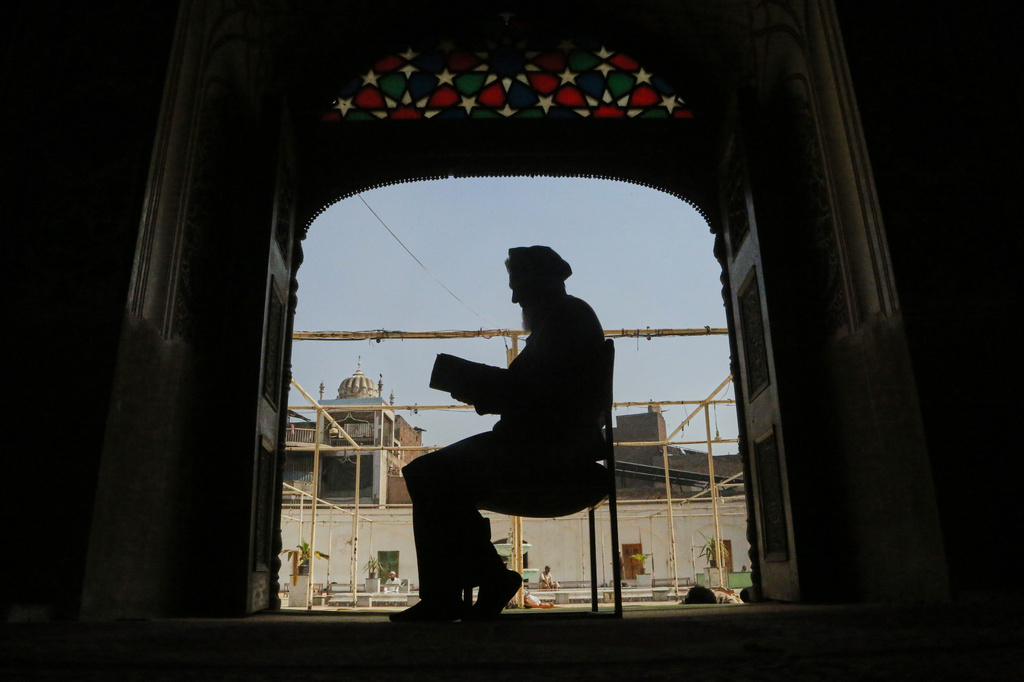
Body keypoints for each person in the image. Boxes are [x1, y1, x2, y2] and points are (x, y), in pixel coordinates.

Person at [390, 246, 609, 622]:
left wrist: (471, 382)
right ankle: (484, 581)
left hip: (543, 451)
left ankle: (467, 588)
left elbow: (531, 394)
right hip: (541, 444)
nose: (514, 297)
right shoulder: (563, 321)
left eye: (518, 285)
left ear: (540, 282)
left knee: (428, 474)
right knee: (434, 477)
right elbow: (532, 390)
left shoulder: (565, 321)